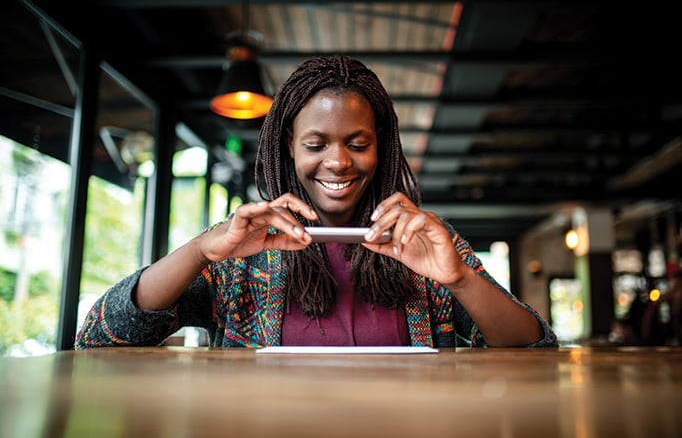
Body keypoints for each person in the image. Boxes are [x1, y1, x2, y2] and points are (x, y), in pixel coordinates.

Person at [76, 55, 557, 349]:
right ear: (288, 145)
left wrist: (459, 278)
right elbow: (101, 335)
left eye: (358, 143)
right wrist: (202, 250)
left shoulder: (423, 241)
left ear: (381, 145)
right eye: (316, 145)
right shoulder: (244, 245)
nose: (338, 162)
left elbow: (537, 347)